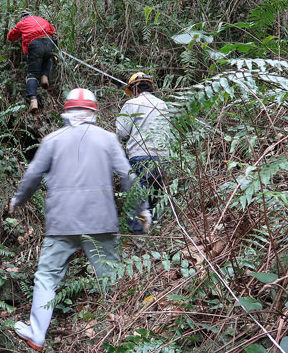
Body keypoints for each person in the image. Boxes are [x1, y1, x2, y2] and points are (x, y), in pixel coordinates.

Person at [9, 88, 133, 351]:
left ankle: (37, 333)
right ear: (93, 112)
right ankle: (125, 332)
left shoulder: (53, 140)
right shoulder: (108, 139)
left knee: (47, 278)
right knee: (111, 278)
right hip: (101, 221)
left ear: (66, 112)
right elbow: (126, 175)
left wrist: (18, 200)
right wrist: (138, 207)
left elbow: (32, 176)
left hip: (62, 222)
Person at [116, 73, 171, 233]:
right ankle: (154, 234)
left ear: (134, 89)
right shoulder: (163, 105)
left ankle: (138, 238)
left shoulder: (132, 103)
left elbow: (122, 132)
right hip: (162, 158)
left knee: (137, 200)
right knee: (153, 200)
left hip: (140, 156)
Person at [7, 11, 55, 113]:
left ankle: (33, 101)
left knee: (32, 74)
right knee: (47, 58)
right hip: (49, 42)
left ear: (23, 18)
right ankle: (44, 77)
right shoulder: (41, 19)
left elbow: (11, 36)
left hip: (35, 45)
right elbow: (52, 30)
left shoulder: (22, 23)